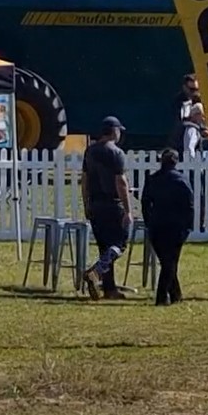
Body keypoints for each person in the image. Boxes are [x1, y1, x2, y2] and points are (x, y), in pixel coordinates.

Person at [80, 117, 132, 300]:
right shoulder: (116, 153)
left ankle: (109, 289)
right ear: (113, 131)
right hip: (112, 204)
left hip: (95, 203)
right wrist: (128, 210)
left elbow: (84, 180)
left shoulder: (90, 151)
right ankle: (96, 272)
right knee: (120, 243)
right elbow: (121, 182)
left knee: (104, 247)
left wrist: (86, 203)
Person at [139, 147, 195, 305]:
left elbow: (145, 202)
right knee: (170, 262)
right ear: (176, 162)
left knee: (167, 261)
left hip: (157, 225)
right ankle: (161, 297)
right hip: (175, 226)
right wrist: (187, 226)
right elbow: (189, 206)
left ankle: (176, 295)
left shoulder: (152, 179)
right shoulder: (181, 180)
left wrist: (149, 221)